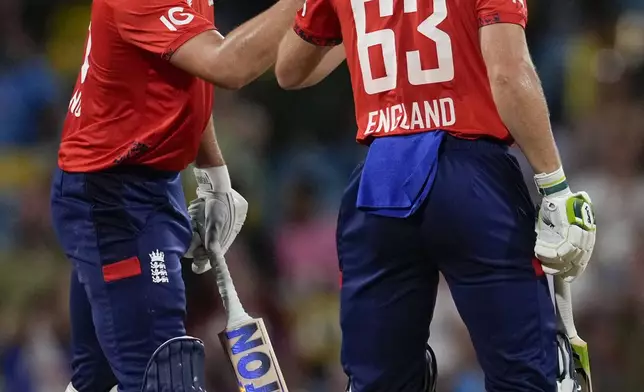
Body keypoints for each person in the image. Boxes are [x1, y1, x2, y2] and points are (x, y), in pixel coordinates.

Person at [274, 0, 597, 391]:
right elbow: (509, 74)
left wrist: (367, 25)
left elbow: (289, 70)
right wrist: (555, 185)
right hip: (472, 174)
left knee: (379, 382)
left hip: (381, 179)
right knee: (527, 376)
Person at [50, 0, 304, 391]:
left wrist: (213, 171)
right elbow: (228, 66)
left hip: (143, 183)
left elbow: (187, 73)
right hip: (114, 198)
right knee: (167, 376)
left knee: (96, 380)